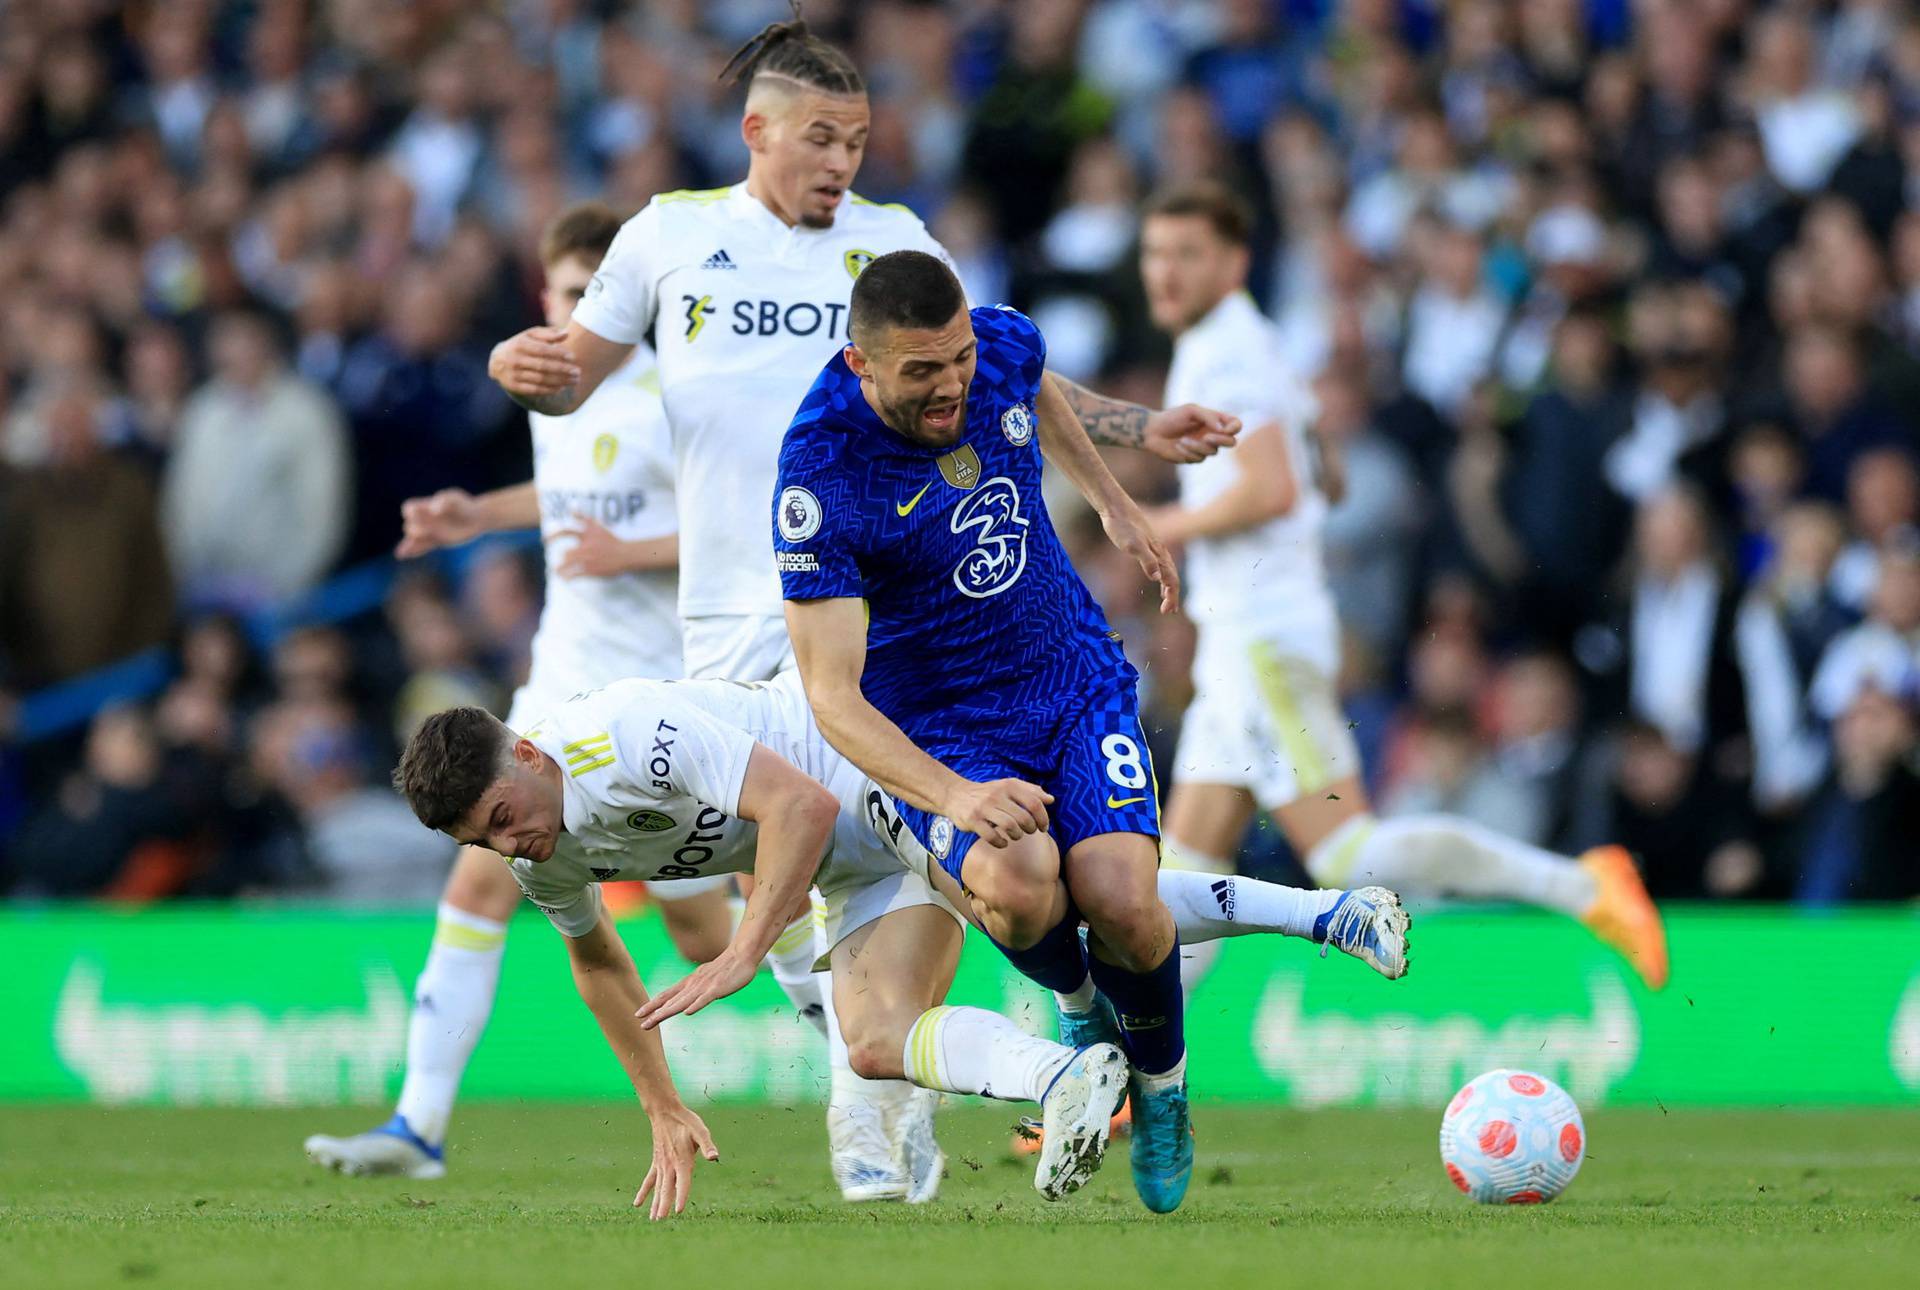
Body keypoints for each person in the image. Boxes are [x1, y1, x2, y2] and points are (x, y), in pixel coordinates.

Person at [484, 11, 1236, 1202]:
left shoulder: (892, 242)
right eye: (824, 138)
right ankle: (926, 1085)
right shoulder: (669, 239)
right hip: (733, 639)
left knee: (961, 878)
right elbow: (573, 368)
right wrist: (519, 369)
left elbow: (991, 374)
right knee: (810, 940)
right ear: (758, 131)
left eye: (861, 139)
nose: (844, 162)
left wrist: (1137, 432)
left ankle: (943, 1096)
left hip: (902, 636)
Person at [771, 250, 1348, 1214]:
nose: (951, 384)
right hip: (948, 728)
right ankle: (1084, 1020)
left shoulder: (993, 342)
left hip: (1069, 676)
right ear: (861, 364)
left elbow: (1033, 385)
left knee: (1123, 897)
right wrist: (954, 795)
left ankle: (1161, 1090)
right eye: (922, 372)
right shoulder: (822, 474)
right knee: (1016, 882)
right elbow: (832, 697)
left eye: (956, 359)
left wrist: (1120, 495)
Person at [386, 673, 1409, 1217]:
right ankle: (1067, 1078)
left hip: (876, 770)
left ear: (524, 753)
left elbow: (793, 802)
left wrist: (747, 951)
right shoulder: (540, 849)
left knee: (1044, 897)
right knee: (874, 1041)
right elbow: (598, 960)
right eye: (481, 840)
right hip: (849, 864)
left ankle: (1327, 913)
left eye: (500, 814)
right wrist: (660, 1101)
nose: (506, 843)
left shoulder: (622, 736)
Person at [1134, 181, 1668, 994]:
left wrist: (1154, 527)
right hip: (1253, 635)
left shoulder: (1225, 352)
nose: (1164, 273)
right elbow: (1326, 474)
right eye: (1154, 254)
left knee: (1349, 853)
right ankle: (1139, 1074)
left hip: (1261, 639)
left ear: (1235, 262)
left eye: (1187, 255)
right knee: (1189, 864)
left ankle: (1585, 887)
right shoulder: (1261, 341)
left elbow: (1275, 487)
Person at [304, 203, 713, 1182]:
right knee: (480, 877)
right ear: (547, 297)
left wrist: (631, 553)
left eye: (599, 299)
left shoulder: (675, 397)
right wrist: (473, 516)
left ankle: (872, 1066)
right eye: (570, 298)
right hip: (557, 685)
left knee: (708, 927)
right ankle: (419, 1126)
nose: (582, 318)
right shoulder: (552, 399)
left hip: (659, 698)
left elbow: (734, 532)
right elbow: (567, 496)